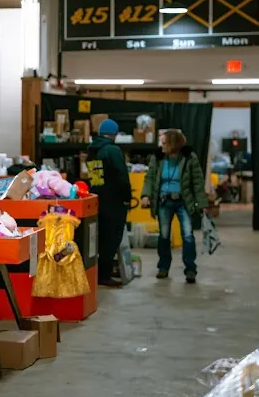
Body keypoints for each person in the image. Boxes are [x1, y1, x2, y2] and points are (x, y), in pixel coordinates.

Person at [141, 129, 208, 284]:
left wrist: (203, 204)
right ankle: (163, 267)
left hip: (184, 202)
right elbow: (150, 177)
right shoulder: (157, 158)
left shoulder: (190, 158)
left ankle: (190, 269)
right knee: (164, 236)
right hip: (164, 202)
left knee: (188, 236)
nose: (161, 146)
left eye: (164, 143)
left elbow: (198, 182)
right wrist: (146, 195)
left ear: (173, 144)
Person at [86, 119, 131, 287]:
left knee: (100, 237)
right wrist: (127, 197)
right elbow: (121, 176)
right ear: (115, 134)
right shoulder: (113, 150)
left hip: (97, 199)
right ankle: (104, 275)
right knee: (112, 238)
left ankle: (97, 272)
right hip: (114, 200)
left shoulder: (91, 150)